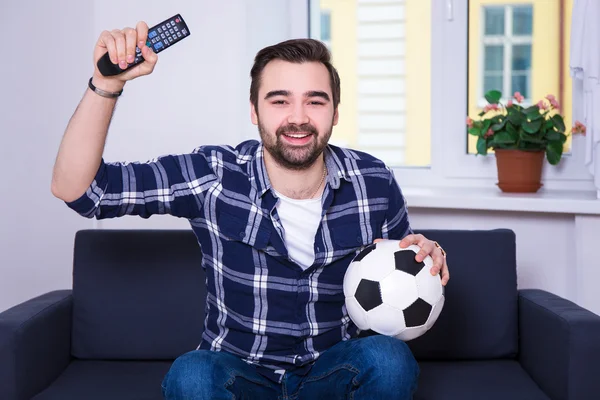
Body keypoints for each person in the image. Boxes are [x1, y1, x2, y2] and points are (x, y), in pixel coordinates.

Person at [51, 20, 450, 400]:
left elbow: (399, 278)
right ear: (254, 112)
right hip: (238, 375)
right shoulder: (212, 175)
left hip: (331, 374)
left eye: (315, 100)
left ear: (335, 112)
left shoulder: (374, 181)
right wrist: (106, 84)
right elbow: (83, 191)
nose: (298, 117)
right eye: (279, 101)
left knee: (390, 360)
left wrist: (425, 264)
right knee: (191, 373)